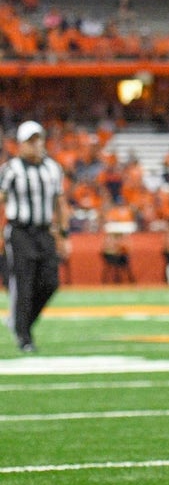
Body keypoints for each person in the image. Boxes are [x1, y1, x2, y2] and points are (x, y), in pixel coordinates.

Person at [0, 121, 70, 353]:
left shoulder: (52, 168)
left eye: (38, 139)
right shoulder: (11, 170)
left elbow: (59, 202)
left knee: (51, 282)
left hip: (44, 231)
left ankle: (23, 322)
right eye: (31, 141)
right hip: (20, 231)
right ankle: (24, 337)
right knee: (24, 283)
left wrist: (63, 233)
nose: (36, 145)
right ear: (20, 145)